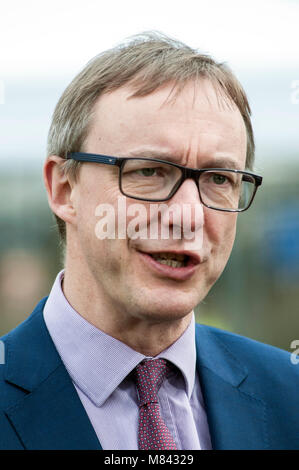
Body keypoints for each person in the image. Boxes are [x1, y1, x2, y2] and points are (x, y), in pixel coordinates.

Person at [0, 32, 298, 451]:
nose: (189, 215)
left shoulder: (290, 393)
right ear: (65, 189)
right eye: (149, 172)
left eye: (218, 179)